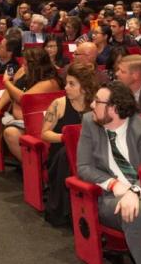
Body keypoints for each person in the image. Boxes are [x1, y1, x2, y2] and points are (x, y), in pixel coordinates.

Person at [77, 81, 141, 264]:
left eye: (97, 101)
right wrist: (113, 184)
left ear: (113, 109)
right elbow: (84, 167)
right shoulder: (90, 122)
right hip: (108, 198)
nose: (91, 104)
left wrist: (134, 191)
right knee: (136, 211)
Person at [41, 62, 97, 226]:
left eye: (72, 84)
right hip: (61, 156)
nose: (66, 87)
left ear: (85, 88)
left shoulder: (95, 104)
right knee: (67, 153)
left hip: (89, 154)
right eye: (67, 82)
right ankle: (64, 212)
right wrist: (66, 138)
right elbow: (44, 134)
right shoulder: (59, 104)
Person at [0, 47, 62, 161]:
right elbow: (11, 89)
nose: (22, 66)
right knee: (9, 131)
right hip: (21, 120)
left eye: (26, 64)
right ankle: (30, 168)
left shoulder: (50, 82)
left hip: (42, 123)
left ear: (36, 66)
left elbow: (24, 99)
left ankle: (37, 169)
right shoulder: (24, 71)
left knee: (10, 132)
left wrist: (6, 82)